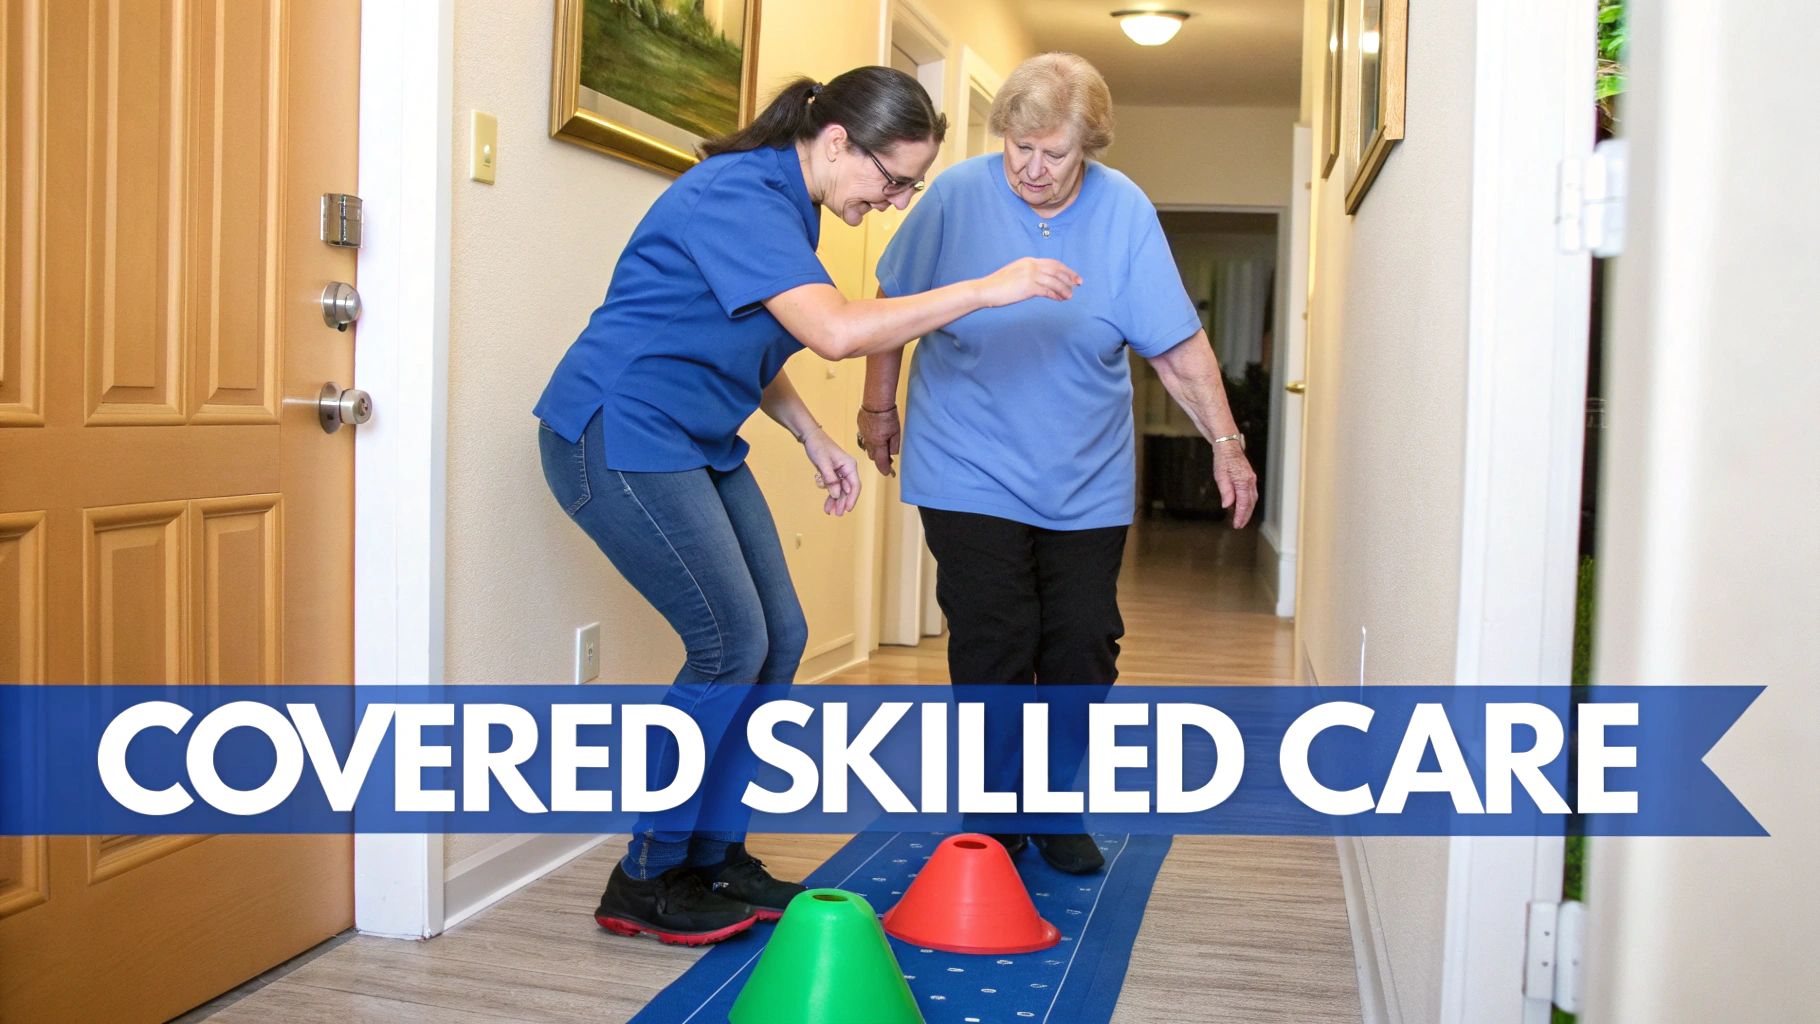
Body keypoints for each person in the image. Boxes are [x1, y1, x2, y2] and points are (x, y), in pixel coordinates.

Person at [533, 65, 1082, 945]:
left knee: (778, 635)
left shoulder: (791, 204)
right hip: (617, 435)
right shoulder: (736, 196)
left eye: (912, 184)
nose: (898, 200)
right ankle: (645, 875)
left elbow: (758, 330)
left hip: (694, 439)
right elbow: (831, 330)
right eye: (892, 179)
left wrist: (813, 435)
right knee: (727, 645)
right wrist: (986, 288)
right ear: (837, 143)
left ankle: (714, 854)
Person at [859, 53, 1259, 874]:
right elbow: (892, 313)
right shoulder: (958, 195)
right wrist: (878, 406)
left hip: (1086, 474)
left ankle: (1053, 801)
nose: (1033, 170)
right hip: (967, 463)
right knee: (995, 638)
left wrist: (1227, 443)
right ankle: (995, 813)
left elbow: (1177, 348)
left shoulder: (1125, 211)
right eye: (1019, 147)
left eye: (1055, 154)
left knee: (1083, 642)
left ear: (1090, 148)